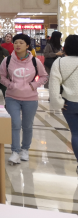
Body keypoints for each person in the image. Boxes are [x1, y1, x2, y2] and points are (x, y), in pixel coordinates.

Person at [0, 34, 48, 165]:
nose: (18, 45)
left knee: (27, 125)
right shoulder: (7, 60)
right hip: (12, 97)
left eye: (21, 42)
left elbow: (44, 76)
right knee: (15, 124)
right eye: (16, 42)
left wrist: (33, 85)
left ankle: (25, 149)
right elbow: (1, 76)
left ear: (27, 45)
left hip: (30, 98)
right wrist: (10, 85)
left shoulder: (35, 61)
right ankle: (15, 152)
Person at [49, 34, 78, 173]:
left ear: (65, 47)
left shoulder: (59, 62)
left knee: (76, 134)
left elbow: (54, 85)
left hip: (69, 103)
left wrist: (58, 102)